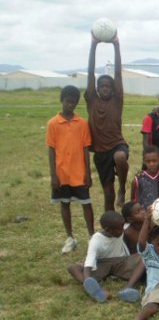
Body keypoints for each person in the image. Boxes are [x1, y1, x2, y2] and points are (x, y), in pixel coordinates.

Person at [46, 85, 94, 254]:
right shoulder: (53, 123)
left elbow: (86, 148)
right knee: (64, 204)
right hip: (62, 173)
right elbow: (51, 149)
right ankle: (70, 238)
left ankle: (91, 237)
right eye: (67, 101)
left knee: (86, 205)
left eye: (73, 103)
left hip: (79, 172)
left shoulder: (81, 123)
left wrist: (88, 173)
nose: (70, 105)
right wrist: (53, 175)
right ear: (62, 100)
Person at [85, 32, 128, 210]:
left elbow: (118, 72)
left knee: (119, 157)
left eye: (107, 86)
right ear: (97, 88)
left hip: (117, 145)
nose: (104, 88)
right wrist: (94, 45)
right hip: (100, 152)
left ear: (112, 89)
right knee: (107, 192)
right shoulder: (92, 100)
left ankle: (123, 189)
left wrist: (116, 46)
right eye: (101, 86)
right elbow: (90, 72)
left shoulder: (117, 100)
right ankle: (109, 221)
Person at [67, 211, 141, 303]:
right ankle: (94, 289)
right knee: (74, 268)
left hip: (122, 261)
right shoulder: (96, 240)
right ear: (108, 230)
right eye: (119, 229)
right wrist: (87, 279)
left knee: (143, 259)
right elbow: (90, 261)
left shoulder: (120, 228)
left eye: (122, 227)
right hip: (102, 263)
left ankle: (127, 289)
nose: (122, 230)